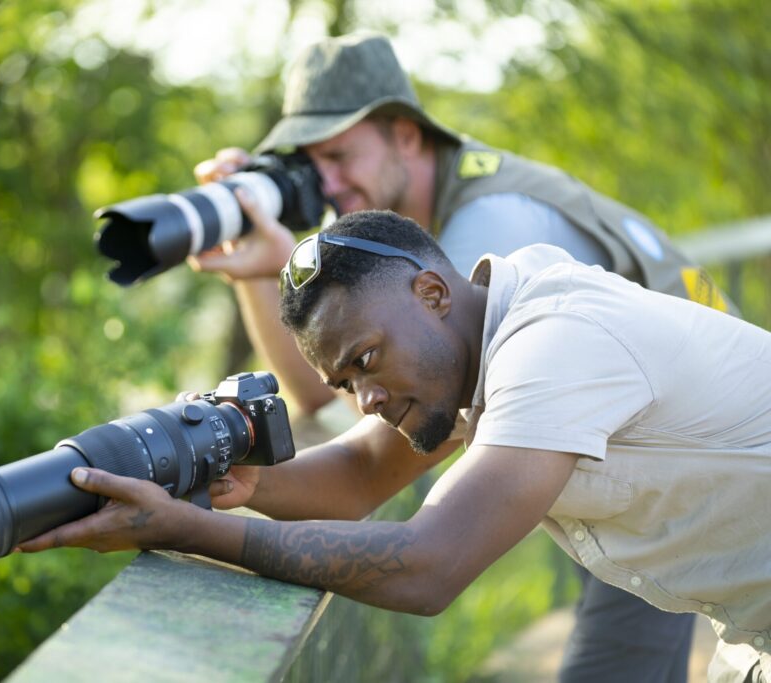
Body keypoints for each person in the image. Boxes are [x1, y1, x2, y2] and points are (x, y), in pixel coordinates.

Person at [187, 32, 735, 681]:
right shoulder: (413, 263)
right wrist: (258, 270)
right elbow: (320, 397)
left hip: (690, 475)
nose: (328, 184)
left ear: (406, 135)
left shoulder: (491, 234)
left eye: (338, 154)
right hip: (635, 471)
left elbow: (379, 483)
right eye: (310, 166)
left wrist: (186, 523)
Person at [17, 211, 771, 683]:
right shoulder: (476, 341)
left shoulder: (555, 342)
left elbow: (428, 564)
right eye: (344, 383)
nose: (366, 400)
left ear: (433, 294)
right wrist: (241, 480)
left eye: (368, 360)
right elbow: (358, 472)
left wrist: (190, 529)